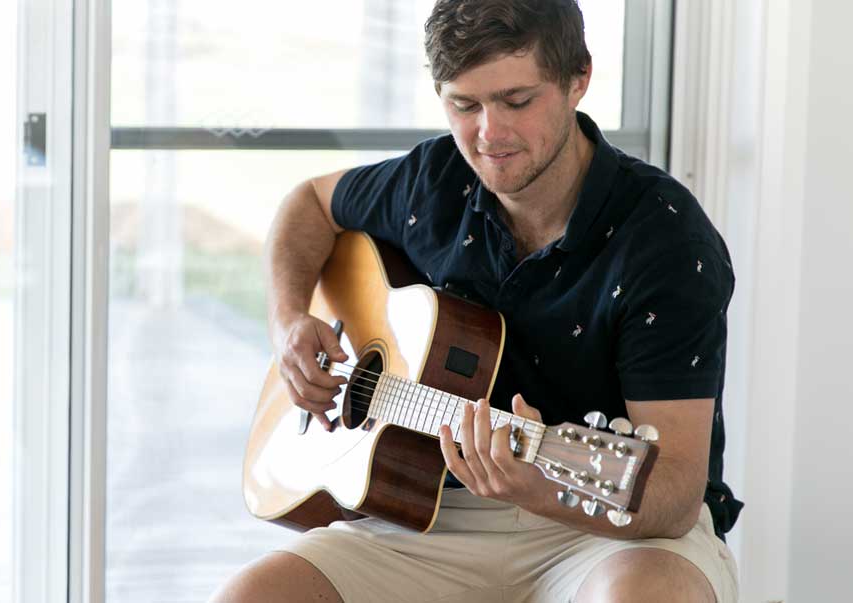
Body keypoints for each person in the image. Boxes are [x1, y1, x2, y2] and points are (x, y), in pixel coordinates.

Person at [211, 1, 742, 601]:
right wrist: (288, 323)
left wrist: (532, 486)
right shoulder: (433, 180)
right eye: (464, 105)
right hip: (430, 515)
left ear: (578, 80)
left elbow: (671, 492)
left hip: (609, 524)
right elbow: (307, 204)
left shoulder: (667, 243)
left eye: (518, 101)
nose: (490, 134)